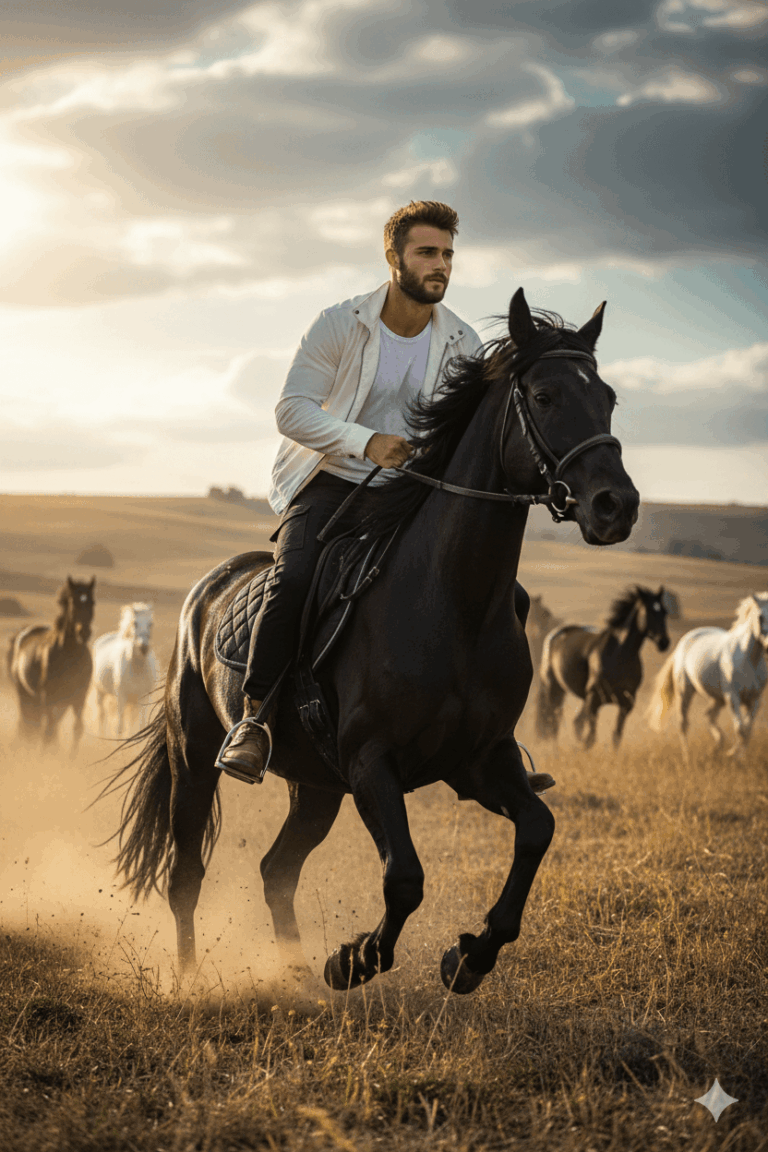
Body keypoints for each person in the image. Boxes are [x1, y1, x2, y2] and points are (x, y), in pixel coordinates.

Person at [217, 200, 485, 783]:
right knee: (294, 579)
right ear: (393, 257)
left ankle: (490, 739)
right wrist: (366, 443)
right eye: (427, 253)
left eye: (447, 254)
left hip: (410, 496)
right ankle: (254, 719)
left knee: (491, 588)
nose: (440, 265)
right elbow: (291, 411)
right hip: (329, 483)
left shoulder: (464, 342)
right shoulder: (341, 323)